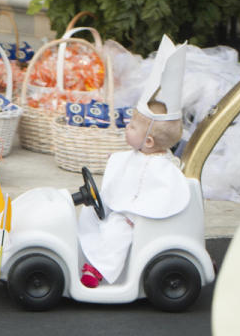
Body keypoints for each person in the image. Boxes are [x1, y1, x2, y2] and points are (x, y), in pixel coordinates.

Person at [77, 35, 191, 288]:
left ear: (148, 141)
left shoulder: (163, 168)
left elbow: (158, 197)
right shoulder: (138, 155)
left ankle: (99, 268)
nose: (125, 129)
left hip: (137, 219)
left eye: (131, 127)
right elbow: (127, 179)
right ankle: (85, 251)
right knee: (88, 215)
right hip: (121, 210)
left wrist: (135, 217)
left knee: (118, 231)